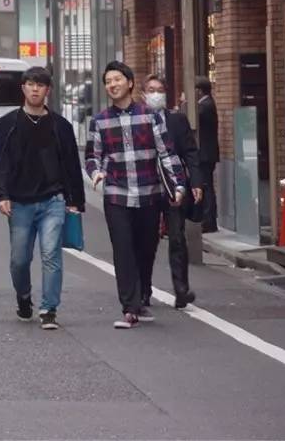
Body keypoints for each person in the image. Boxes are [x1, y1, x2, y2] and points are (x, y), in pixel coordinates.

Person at [0, 67, 85, 331]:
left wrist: (75, 200)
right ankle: (24, 297)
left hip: (53, 199)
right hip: (19, 202)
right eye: (30, 84)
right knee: (19, 260)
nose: (35, 89)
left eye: (40, 84)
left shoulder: (61, 126)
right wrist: (0, 195)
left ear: (48, 90)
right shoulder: (9, 124)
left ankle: (49, 308)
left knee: (51, 254)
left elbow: (71, 164)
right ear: (23, 88)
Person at [86, 61, 186, 329]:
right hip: (116, 195)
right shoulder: (99, 121)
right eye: (108, 81)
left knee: (145, 249)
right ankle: (129, 307)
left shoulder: (151, 116)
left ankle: (142, 294)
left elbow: (167, 153)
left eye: (117, 79)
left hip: (149, 194)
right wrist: (95, 172)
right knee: (123, 250)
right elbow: (92, 157)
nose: (112, 85)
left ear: (130, 83)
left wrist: (178, 185)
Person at [143, 75, 204, 309]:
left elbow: (191, 152)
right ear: (143, 93)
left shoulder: (177, 121)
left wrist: (196, 182)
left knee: (177, 238)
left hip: (174, 187)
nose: (155, 94)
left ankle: (181, 289)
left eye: (159, 90)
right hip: (146, 188)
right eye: (151, 90)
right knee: (147, 241)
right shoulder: (138, 119)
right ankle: (144, 290)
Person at [195, 77, 219, 232]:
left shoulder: (206, 105)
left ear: (199, 90)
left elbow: (192, 116)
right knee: (206, 185)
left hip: (205, 153)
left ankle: (209, 220)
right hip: (206, 153)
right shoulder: (205, 104)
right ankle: (208, 219)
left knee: (206, 186)